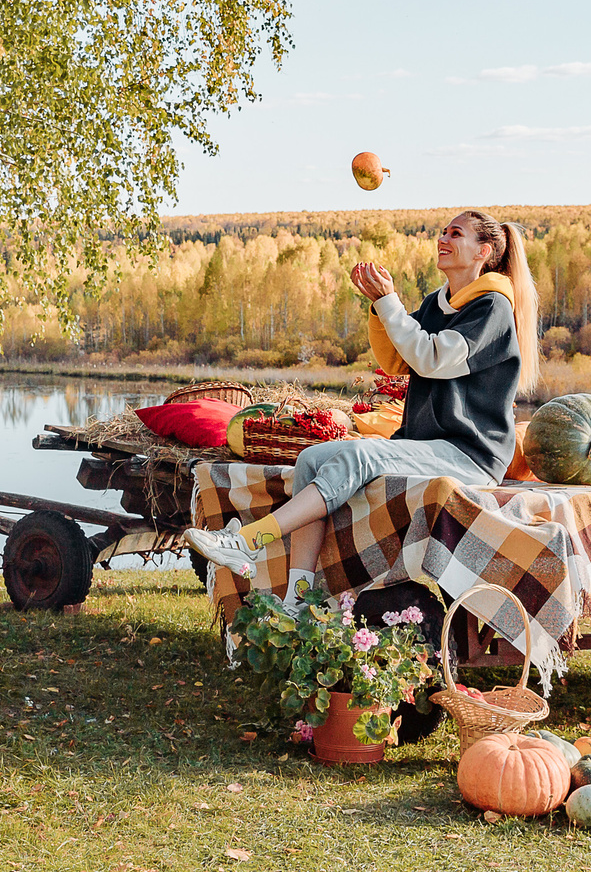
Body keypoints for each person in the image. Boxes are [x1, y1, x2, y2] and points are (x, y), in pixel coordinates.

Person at [185, 210, 541, 603]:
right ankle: (297, 600)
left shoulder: (492, 308)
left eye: (456, 233)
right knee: (311, 460)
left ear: (482, 251)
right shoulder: (439, 303)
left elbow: (430, 358)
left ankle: (248, 541)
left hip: (469, 454)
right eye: (442, 231)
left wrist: (391, 302)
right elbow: (397, 362)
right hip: (426, 445)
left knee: (361, 452)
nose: (443, 238)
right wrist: (378, 305)